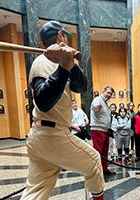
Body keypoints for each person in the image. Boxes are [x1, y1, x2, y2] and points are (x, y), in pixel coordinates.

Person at [21, 21, 104, 200]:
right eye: (65, 36)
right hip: (52, 134)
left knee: (36, 191)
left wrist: (70, 65)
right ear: (60, 36)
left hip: (42, 136)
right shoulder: (42, 61)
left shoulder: (61, 61)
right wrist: (64, 67)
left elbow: (81, 87)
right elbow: (43, 101)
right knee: (94, 162)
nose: (66, 39)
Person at [90, 86, 116, 175]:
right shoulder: (98, 99)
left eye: (111, 94)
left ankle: (104, 169)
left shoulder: (105, 103)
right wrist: (97, 107)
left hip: (105, 130)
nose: (109, 95)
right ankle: (97, 171)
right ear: (103, 91)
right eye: (108, 93)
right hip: (97, 130)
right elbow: (95, 107)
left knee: (105, 151)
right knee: (98, 151)